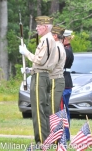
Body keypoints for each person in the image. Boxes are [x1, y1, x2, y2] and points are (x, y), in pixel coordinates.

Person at [19, 16, 57, 146]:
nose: (36, 28)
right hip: (43, 74)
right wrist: (30, 70)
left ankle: (41, 141)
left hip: (41, 77)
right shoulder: (49, 40)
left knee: (38, 109)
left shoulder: (46, 40)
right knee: (44, 110)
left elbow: (39, 60)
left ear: (45, 27)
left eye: (38, 26)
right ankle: (48, 139)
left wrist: (26, 53)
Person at [49, 26, 66, 115]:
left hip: (55, 79)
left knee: (52, 110)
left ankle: (53, 129)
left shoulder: (57, 47)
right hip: (55, 79)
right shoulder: (58, 46)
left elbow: (51, 66)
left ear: (55, 36)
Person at [61, 29, 74, 141]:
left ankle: (64, 136)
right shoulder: (66, 49)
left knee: (63, 110)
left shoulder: (66, 51)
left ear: (64, 38)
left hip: (64, 82)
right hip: (65, 81)